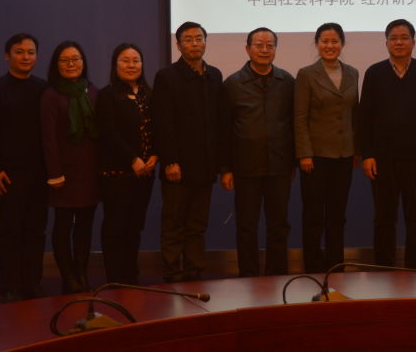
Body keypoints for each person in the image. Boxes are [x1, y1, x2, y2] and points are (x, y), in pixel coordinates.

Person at [358, 19, 416, 269]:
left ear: (413, 42)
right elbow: (365, 117)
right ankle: (384, 267)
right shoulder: (374, 73)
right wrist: (367, 155)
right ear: (386, 43)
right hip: (382, 159)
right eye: (393, 38)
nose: (399, 42)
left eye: (404, 37)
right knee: (384, 218)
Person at [153, 21, 229, 283]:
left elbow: (220, 122)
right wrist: (170, 161)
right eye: (188, 39)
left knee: (198, 223)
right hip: (178, 166)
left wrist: (221, 165)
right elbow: (163, 123)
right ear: (178, 45)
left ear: (205, 42)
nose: (194, 44)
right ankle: (173, 271)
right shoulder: (167, 76)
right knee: (174, 223)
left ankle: (194, 270)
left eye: (199, 38)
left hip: (205, 165)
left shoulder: (214, 75)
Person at [0, 33, 48, 302]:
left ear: (36, 56)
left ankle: (32, 283)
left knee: (35, 231)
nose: (25, 57)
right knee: (9, 232)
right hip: (7, 175)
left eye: (30, 52)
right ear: (8, 56)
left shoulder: (43, 89)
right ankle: (9, 286)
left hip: (39, 174)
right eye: (19, 52)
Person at [222, 27, 295, 277]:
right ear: (247, 49)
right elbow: (224, 130)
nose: (265, 50)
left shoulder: (287, 82)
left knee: (279, 225)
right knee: (246, 226)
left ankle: (277, 275)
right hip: (245, 167)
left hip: (279, 165)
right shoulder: (232, 84)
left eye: (270, 45)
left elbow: (294, 124)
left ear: (275, 49)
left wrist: (293, 163)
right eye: (259, 45)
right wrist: (226, 169)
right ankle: (248, 276)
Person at [294, 23, 359, 273]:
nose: (330, 46)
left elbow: (353, 114)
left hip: (344, 155)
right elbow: (300, 117)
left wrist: (356, 150)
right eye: (324, 41)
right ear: (317, 43)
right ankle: (313, 267)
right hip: (315, 157)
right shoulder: (306, 74)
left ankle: (336, 266)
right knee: (313, 216)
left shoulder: (352, 73)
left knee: (337, 216)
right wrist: (304, 154)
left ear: (342, 44)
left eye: (335, 41)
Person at [40, 40, 100, 293]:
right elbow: (48, 139)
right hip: (63, 173)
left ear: (83, 62)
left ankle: (81, 274)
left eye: (75, 59)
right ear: (56, 65)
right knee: (63, 226)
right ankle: (68, 276)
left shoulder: (93, 91)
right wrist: (55, 174)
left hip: (90, 171)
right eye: (64, 60)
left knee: (85, 227)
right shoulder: (51, 95)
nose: (71, 64)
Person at [96, 43, 157, 285]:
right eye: (125, 60)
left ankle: (131, 275)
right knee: (116, 226)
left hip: (145, 173)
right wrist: (133, 159)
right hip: (117, 172)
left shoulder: (148, 94)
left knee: (134, 225)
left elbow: (158, 128)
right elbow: (108, 133)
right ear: (115, 64)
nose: (131, 65)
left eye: (136, 60)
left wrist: (155, 155)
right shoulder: (107, 95)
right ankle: (115, 278)